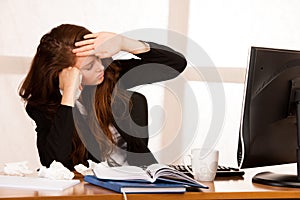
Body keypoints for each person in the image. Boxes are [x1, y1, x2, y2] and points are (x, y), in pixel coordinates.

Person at [19, 24, 187, 170]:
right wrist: (68, 96)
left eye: (98, 59)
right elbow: (54, 164)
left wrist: (124, 43)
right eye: (89, 66)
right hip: (90, 193)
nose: (100, 67)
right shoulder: (42, 107)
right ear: (63, 74)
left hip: (139, 186)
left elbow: (175, 65)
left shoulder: (110, 75)